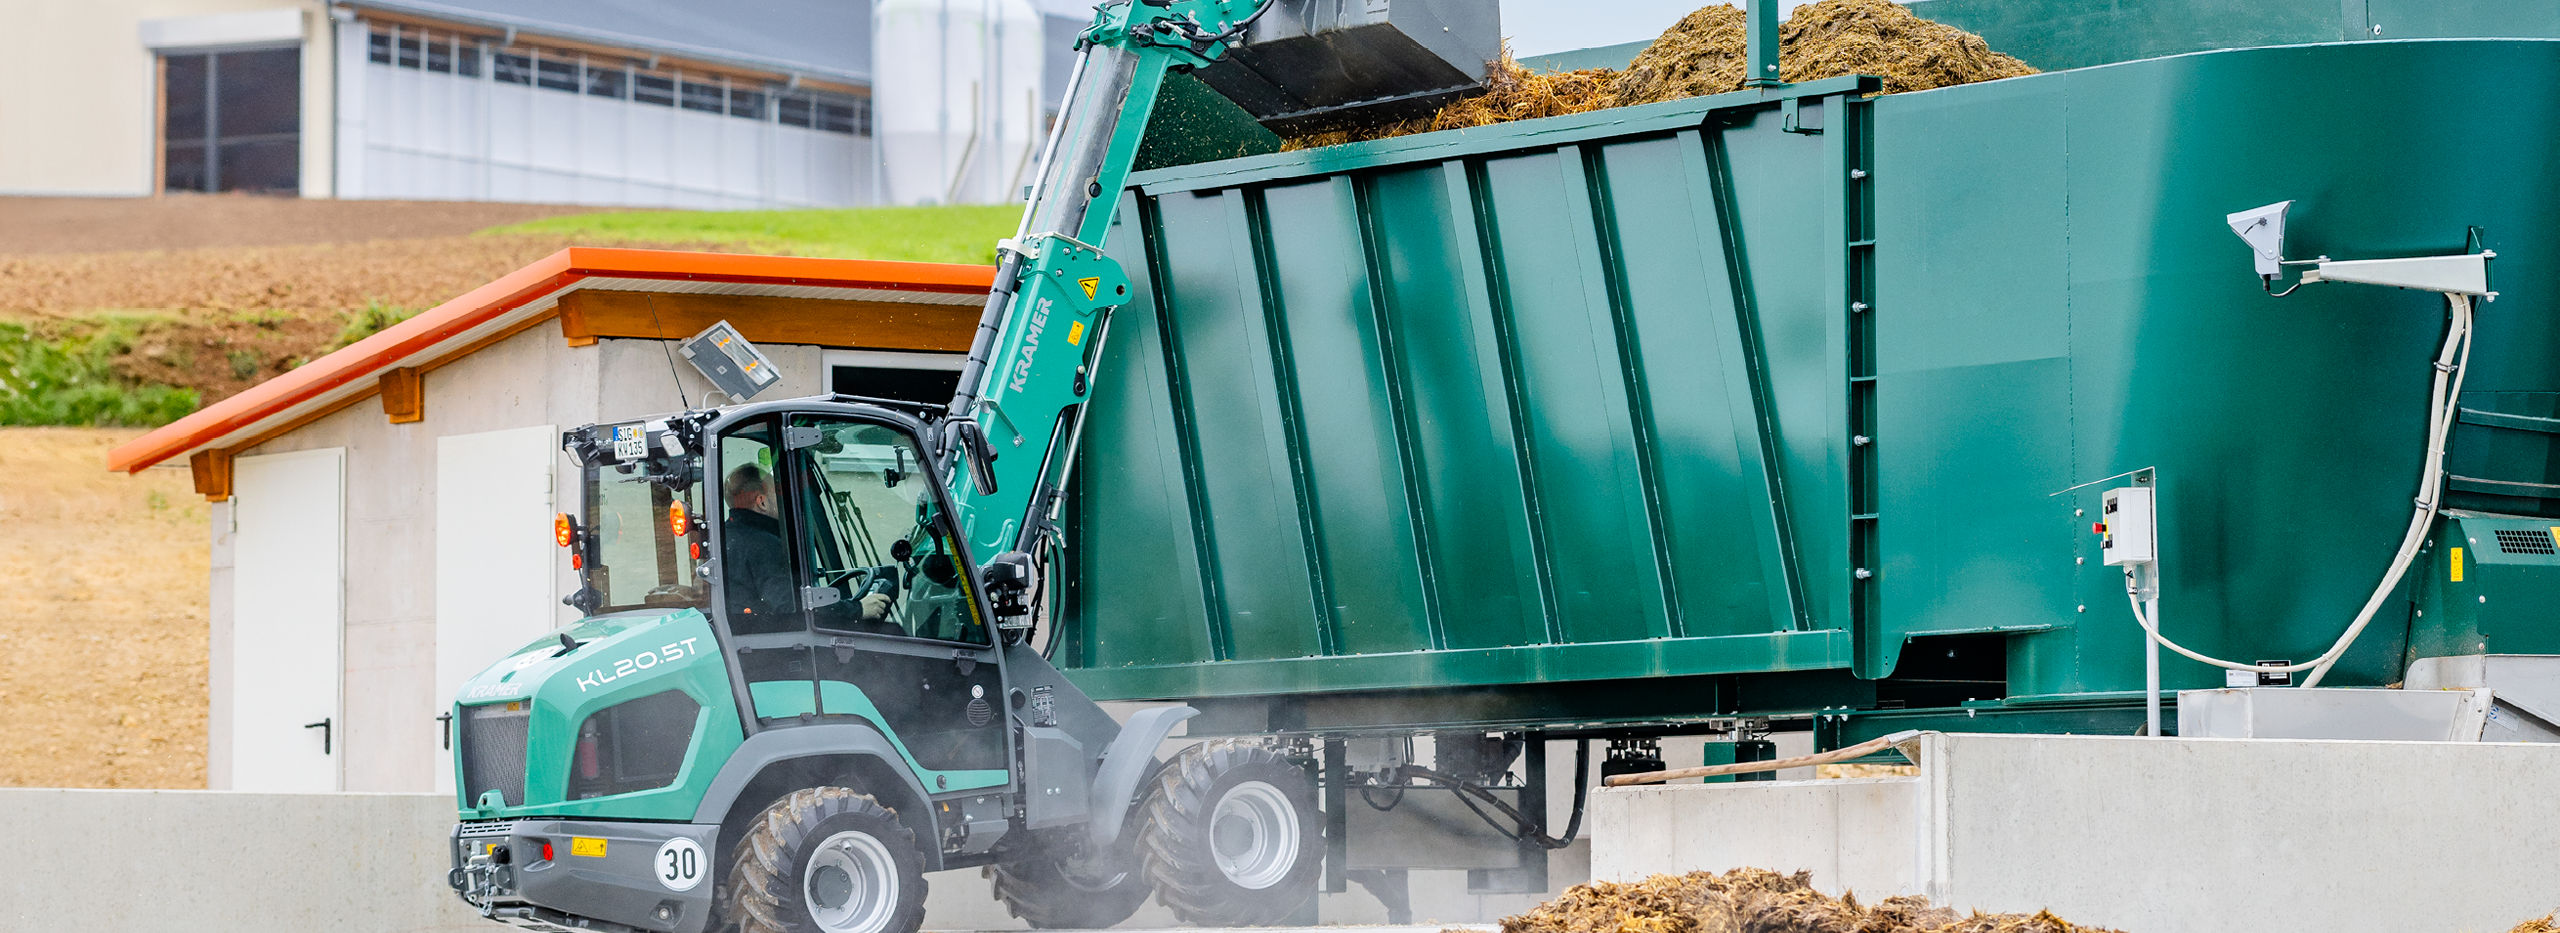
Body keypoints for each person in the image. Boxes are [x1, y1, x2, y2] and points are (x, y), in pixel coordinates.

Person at [721, 464, 798, 631]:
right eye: (778, 494)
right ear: (762, 501)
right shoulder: (767, 546)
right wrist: (856, 609)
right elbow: (790, 611)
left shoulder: (720, 540)